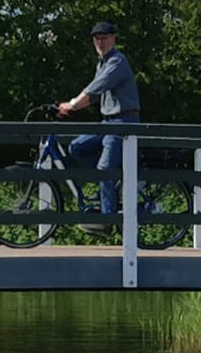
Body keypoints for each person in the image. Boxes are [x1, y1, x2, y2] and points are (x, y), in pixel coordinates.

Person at [56, 20, 141, 215]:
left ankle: (107, 218)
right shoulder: (102, 64)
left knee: (104, 169)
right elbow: (93, 97)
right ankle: (112, 184)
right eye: (96, 40)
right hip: (108, 122)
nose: (100, 43)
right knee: (77, 147)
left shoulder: (116, 61)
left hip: (122, 121)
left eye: (104, 38)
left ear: (114, 39)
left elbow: (96, 87)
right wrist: (68, 109)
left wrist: (72, 104)